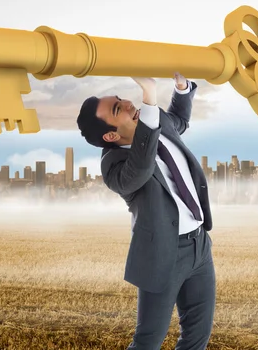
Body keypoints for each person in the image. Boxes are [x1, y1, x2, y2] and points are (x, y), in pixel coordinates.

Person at [76, 72, 215, 350]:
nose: (128, 103)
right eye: (118, 109)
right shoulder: (114, 167)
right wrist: (150, 97)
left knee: (197, 337)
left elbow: (180, 121)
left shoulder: (155, 120)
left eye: (119, 99)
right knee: (148, 342)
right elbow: (141, 169)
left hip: (200, 246)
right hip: (164, 254)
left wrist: (181, 88)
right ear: (111, 134)